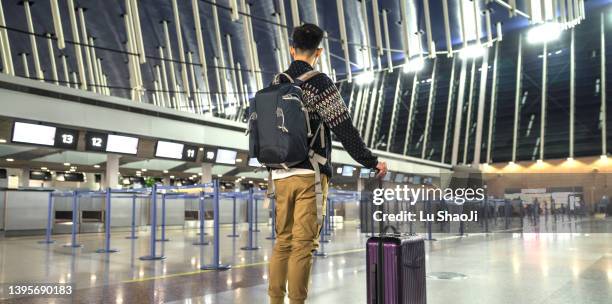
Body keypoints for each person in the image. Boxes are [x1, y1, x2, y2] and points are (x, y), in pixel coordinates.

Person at [267, 23, 388, 304]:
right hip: (310, 174)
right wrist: (371, 161)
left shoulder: (276, 81)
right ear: (319, 52)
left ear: (291, 48)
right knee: (303, 245)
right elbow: (345, 130)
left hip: (279, 175)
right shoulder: (320, 82)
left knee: (283, 241)